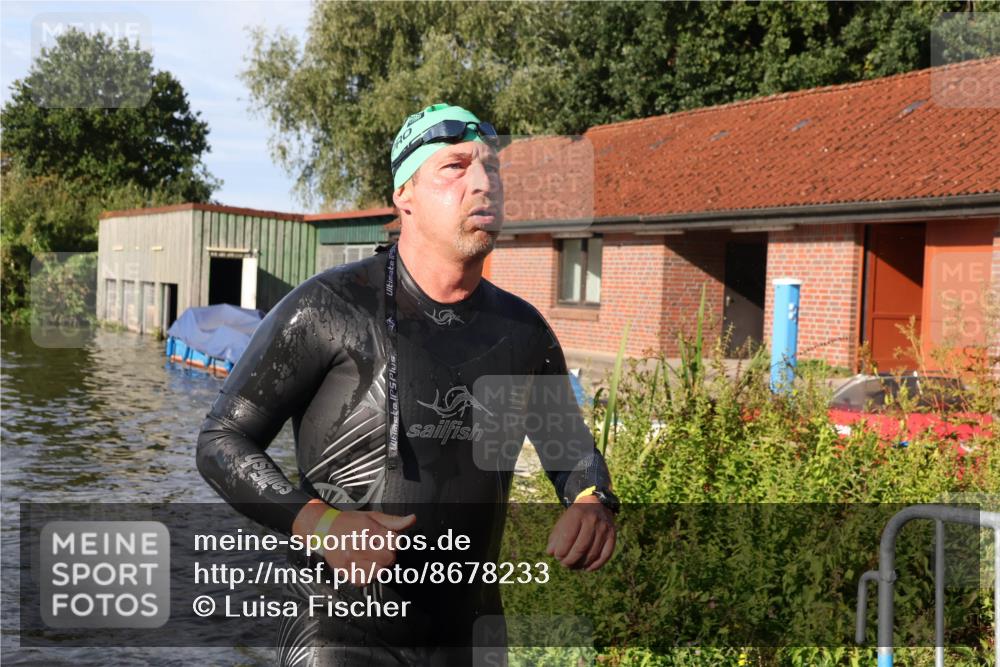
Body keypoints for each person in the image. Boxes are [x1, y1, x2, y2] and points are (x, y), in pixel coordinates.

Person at [196, 103, 620, 666]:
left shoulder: (523, 333)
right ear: (406, 195)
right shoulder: (330, 308)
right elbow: (222, 440)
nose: (482, 183)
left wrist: (593, 500)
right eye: (455, 167)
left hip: (470, 635)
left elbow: (569, 451)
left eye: (491, 168)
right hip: (342, 629)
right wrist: (320, 523)